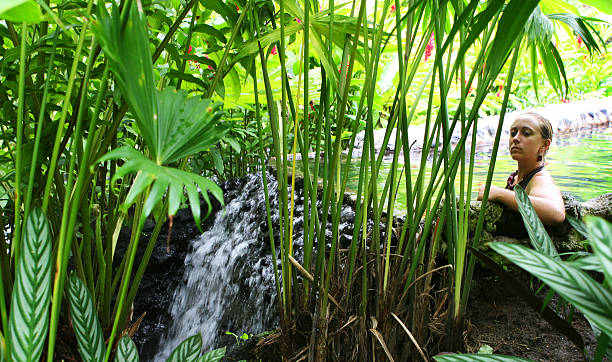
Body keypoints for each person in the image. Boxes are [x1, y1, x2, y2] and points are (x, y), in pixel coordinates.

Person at [478, 112, 566, 225]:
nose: (516, 138)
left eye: (526, 133)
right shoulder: (517, 177)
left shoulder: (539, 179)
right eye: (513, 133)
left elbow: (556, 213)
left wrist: (499, 193)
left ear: (544, 145)